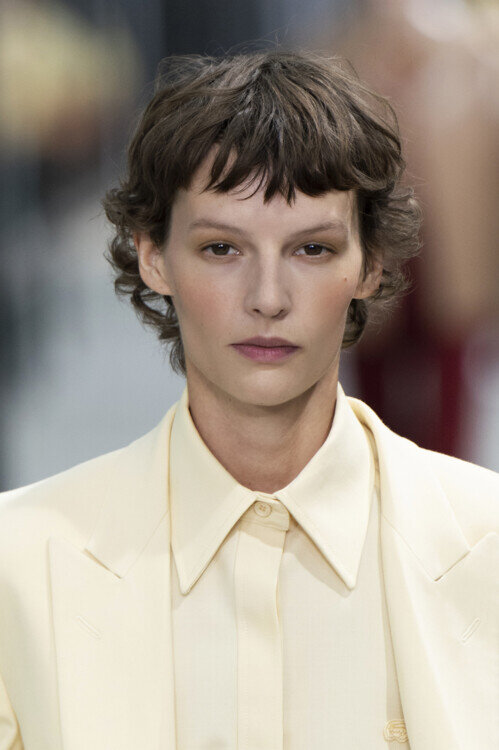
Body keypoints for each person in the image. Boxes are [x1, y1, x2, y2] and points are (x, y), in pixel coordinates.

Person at [0, 48, 497, 750]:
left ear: (372, 263)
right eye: (222, 249)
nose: (268, 298)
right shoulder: (18, 566)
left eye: (311, 249)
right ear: (152, 256)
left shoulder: (486, 548)